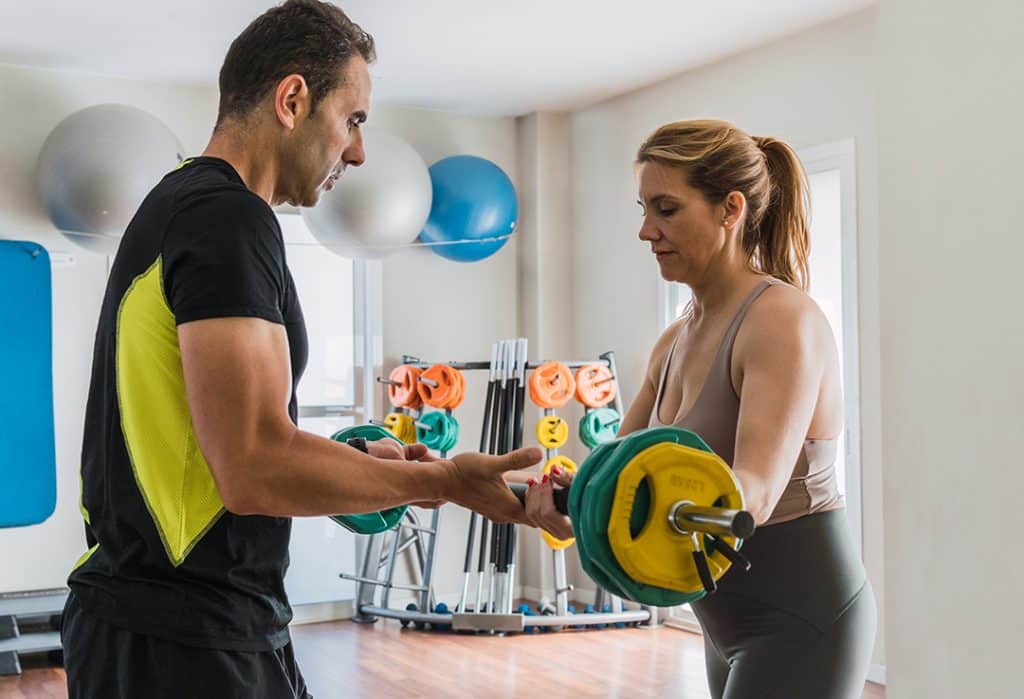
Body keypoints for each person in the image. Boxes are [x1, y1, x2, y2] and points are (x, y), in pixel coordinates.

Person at [61, 2, 538, 697]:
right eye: (354, 119)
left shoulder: (181, 204)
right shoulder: (227, 218)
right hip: (180, 639)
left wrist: (349, 463)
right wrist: (442, 482)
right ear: (292, 99)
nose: (359, 152)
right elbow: (253, 463)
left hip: (177, 622)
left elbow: (214, 438)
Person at [525, 119, 876, 698]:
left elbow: (754, 493)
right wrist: (568, 499)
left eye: (666, 209)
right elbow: (612, 467)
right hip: (721, 623)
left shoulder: (781, 320)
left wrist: (615, 502)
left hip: (803, 619)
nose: (646, 231)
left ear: (729, 209)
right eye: (644, 208)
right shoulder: (674, 340)